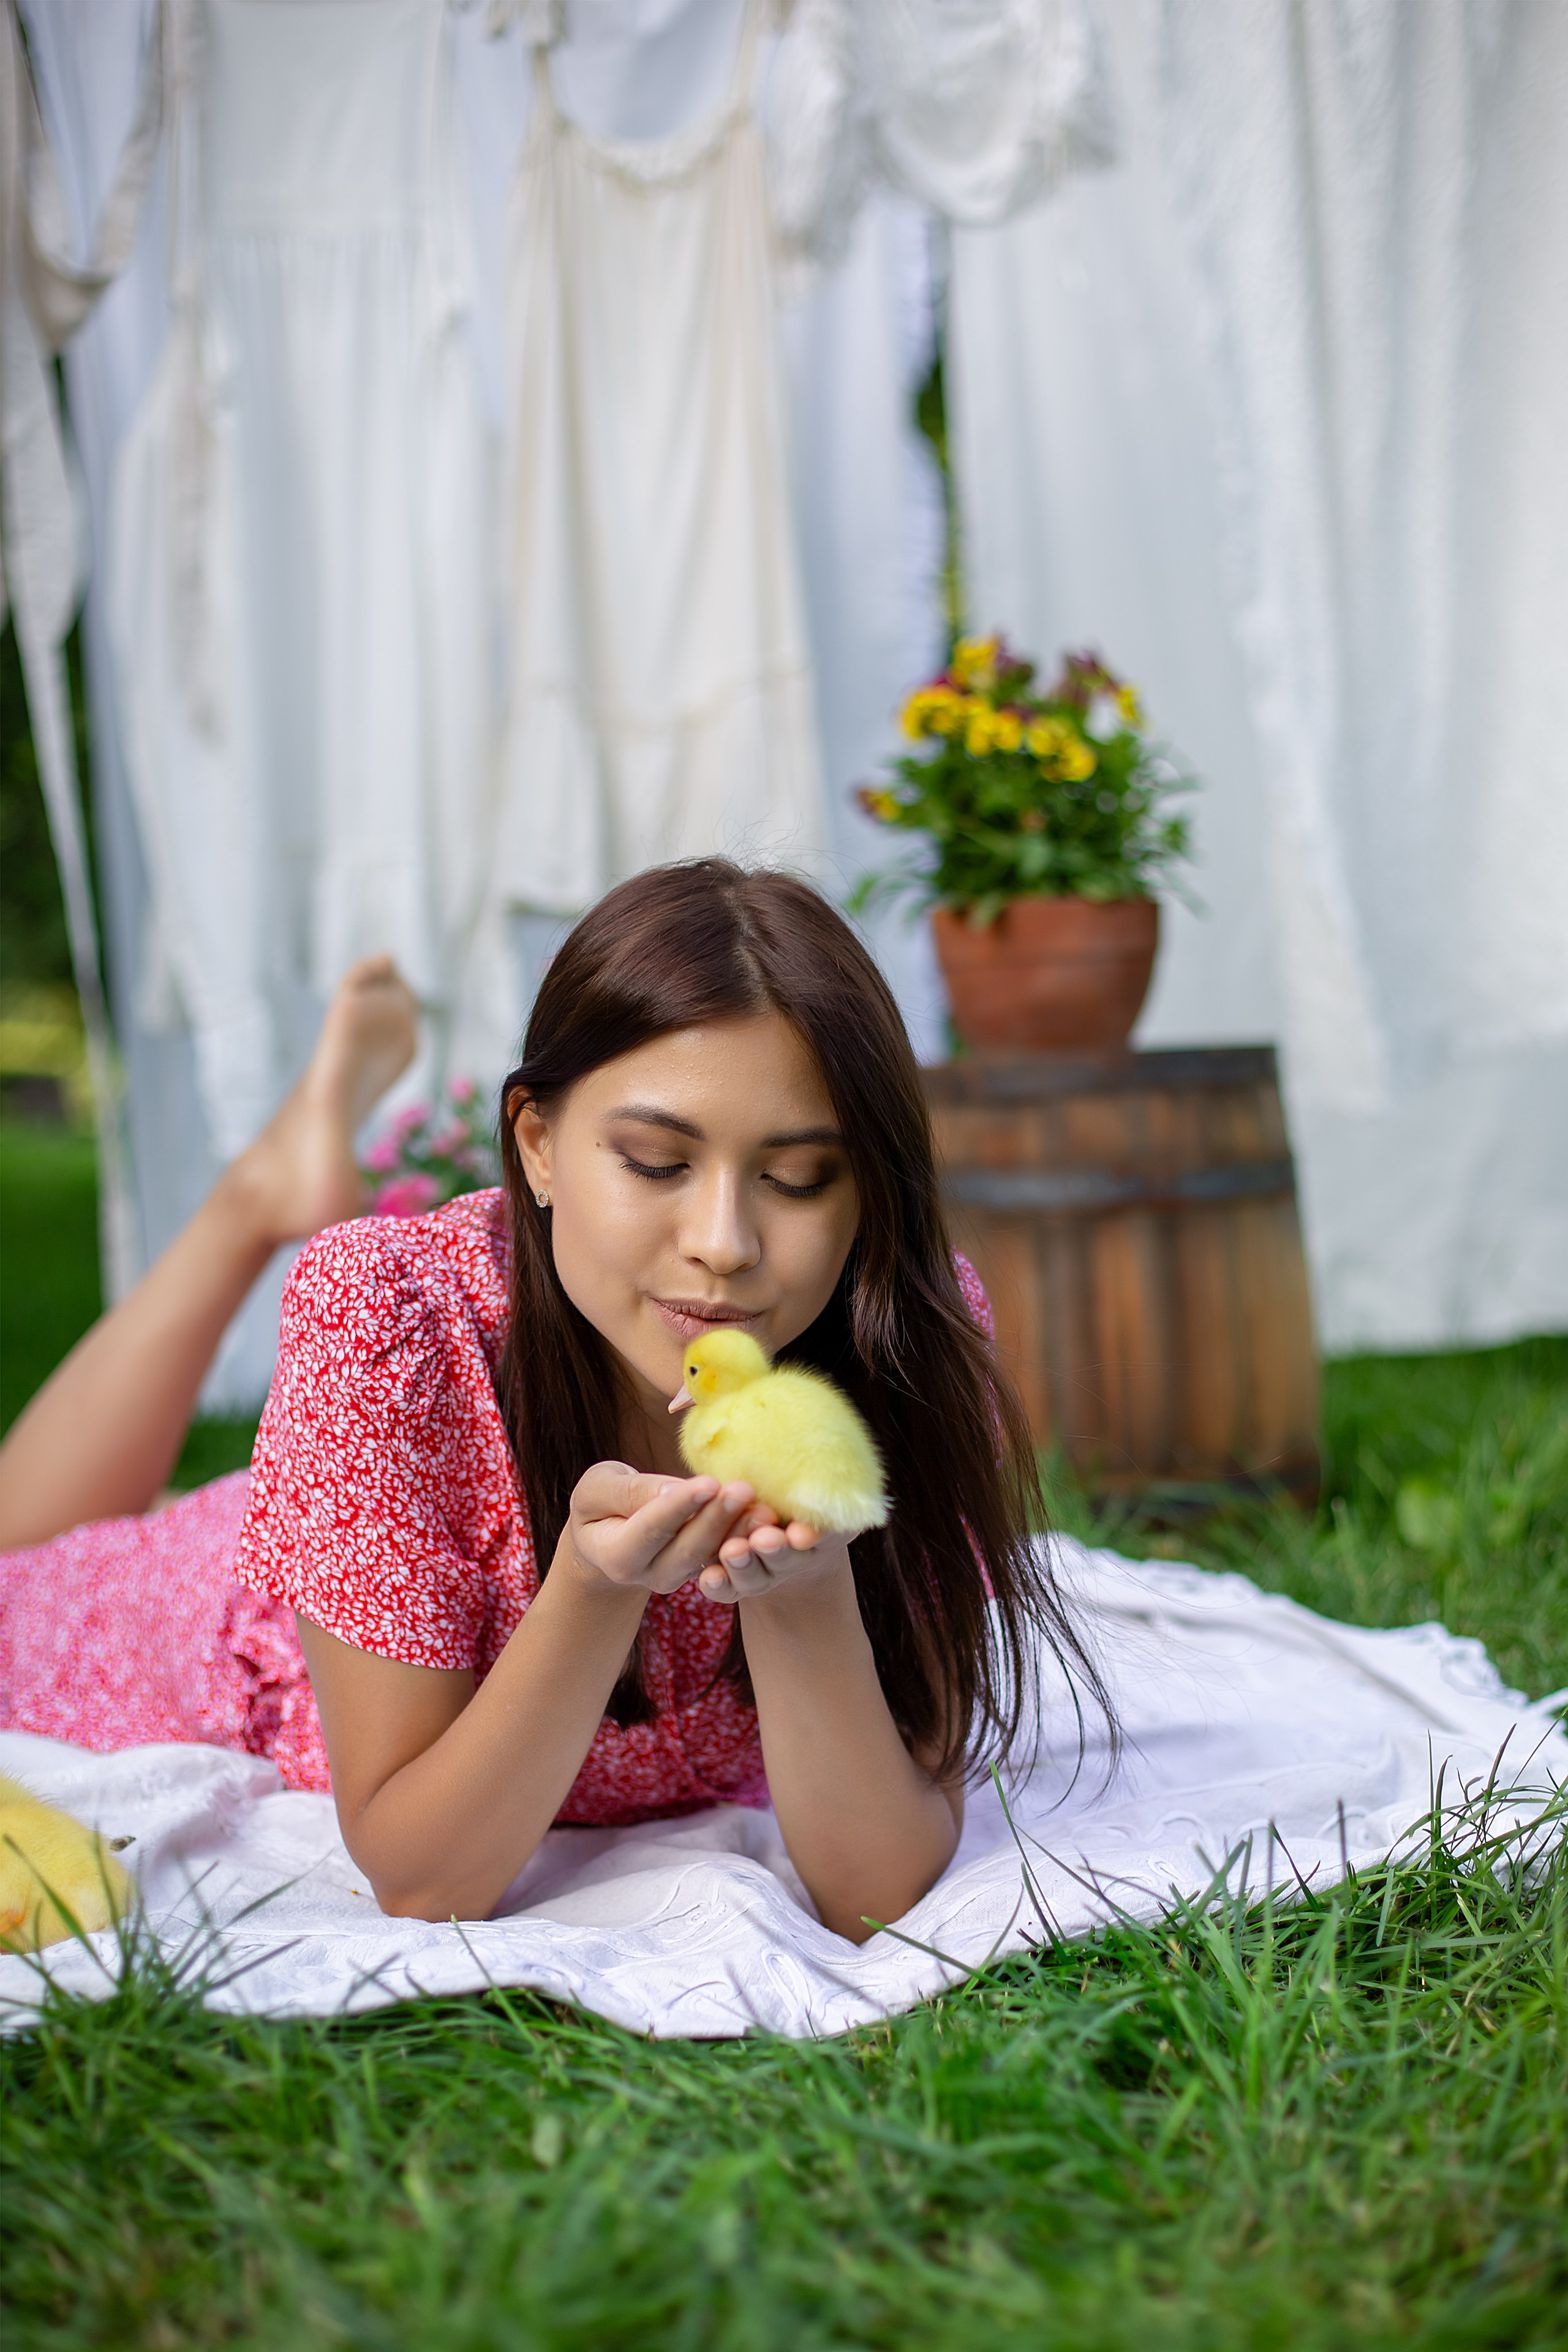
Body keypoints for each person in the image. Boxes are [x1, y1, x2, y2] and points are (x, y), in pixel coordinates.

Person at [0, 864, 1108, 1942]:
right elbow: (424, 1880)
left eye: (798, 1178)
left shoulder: (899, 1341)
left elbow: (878, 1890)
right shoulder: (389, 1321)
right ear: (537, 1143)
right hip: (227, 1612)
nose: (724, 1246)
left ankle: (274, 1181)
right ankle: (254, 1198)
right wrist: (586, 1588)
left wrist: (805, 1592)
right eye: (656, 1163)